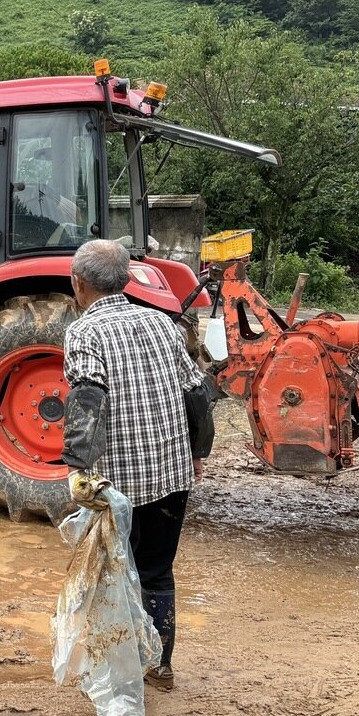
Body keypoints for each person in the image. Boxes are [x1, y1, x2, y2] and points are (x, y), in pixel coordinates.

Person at [61, 238, 214, 690]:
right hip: (170, 475)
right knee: (157, 572)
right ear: (126, 279)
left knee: (114, 575)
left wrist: (78, 470)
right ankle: (160, 668)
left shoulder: (84, 332)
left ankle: (119, 670)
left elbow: (87, 399)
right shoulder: (163, 324)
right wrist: (198, 453)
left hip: (117, 485)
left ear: (78, 283)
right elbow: (197, 395)